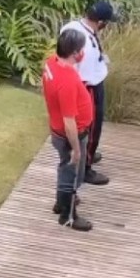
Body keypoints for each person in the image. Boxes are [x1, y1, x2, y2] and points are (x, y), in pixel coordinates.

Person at [59, 0, 119, 186]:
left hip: (84, 83)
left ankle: (88, 154)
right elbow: (82, 73)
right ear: (101, 22)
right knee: (92, 129)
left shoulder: (72, 26)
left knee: (88, 129)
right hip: (89, 88)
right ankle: (86, 167)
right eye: (107, 22)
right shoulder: (84, 45)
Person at [41, 29, 94, 231]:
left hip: (57, 130)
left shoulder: (51, 63)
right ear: (75, 53)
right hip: (70, 135)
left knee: (65, 168)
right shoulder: (68, 82)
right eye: (81, 49)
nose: (83, 53)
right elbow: (69, 121)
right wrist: (77, 149)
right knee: (72, 175)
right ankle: (67, 216)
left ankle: (60, 203)